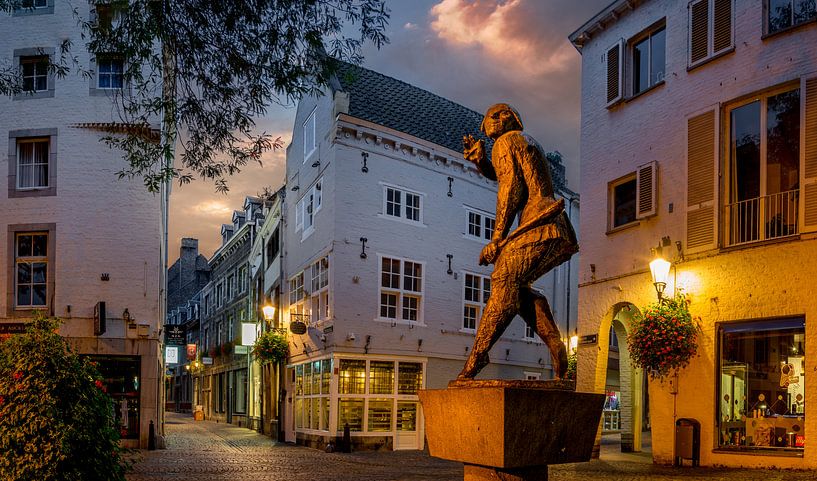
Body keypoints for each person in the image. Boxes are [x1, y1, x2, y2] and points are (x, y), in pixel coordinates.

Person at [458, 103, 577, 380]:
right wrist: (483, 163)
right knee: (518, 288)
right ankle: (557, 347)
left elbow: (510, 188)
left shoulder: (505, 141)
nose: (485, 131)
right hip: (556, 228)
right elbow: (515, 177)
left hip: (540, 224)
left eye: (486, 123)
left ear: (503, 118)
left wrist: (497, 237)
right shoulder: (523, 141)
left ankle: (478, 356)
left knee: (503, 278)